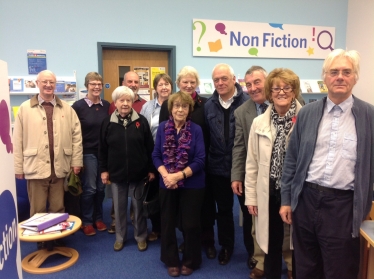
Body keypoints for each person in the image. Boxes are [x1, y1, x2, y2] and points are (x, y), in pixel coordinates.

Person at [280, 49, 374, 278]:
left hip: (343, 205)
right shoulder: (308, 113)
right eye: (334, 72)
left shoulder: (369, 115)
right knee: (306, 265)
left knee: (339, 268)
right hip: (306, 200)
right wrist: (286, 200)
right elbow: (292, 159)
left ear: (355, 77)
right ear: (325, 77)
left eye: (346, 72)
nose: (340, 77)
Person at [232, 66, 302, 279]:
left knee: (297, 241)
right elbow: (251, 163)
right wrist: (251, 196)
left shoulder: (306, 118)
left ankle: (294, 271)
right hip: (269, 191)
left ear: (294, 91)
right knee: (270, 241)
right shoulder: (258, 122)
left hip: (296, 192)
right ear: (270, 93)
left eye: (286, 88)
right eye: (276, 88)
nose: (281, 92)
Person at [159, 66, 215, 259]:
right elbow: (159, 146)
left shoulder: (205, 104)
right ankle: (186, 243)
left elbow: (207, 135)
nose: (189, 85)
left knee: (202, 209)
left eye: (193, 82)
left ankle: (206, 242)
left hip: (198, 165)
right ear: (178, 83)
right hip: (171, 169)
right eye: (185, 82)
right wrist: (168, 174)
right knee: (178, 214)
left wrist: (194, 166)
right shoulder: (170, 105)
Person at [14, 70, 83, 217]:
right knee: (38, 210)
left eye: (51, 82)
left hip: (60, 167)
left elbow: (76, 137)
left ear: (55, 85)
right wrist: (18, 168)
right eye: (44, 82)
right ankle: (42, 240)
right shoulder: (25, 109)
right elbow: (17, 140)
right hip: (36, 167)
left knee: (58, 208)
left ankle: (57, 239)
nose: (48, 85)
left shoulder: (67, 108)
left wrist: (76, 161)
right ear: (37, 84)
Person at [152, 92, 205, 277]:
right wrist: (167, 176)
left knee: (190, 224)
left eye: (184, 106)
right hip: (166, 182)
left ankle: (191, 260)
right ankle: (171, 260)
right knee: (167, 223)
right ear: (171, 109)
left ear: (189, 109)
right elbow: (156, 156)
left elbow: (200, 159)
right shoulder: (162, 127)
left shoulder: (196, 130)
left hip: (193, 183)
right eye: (176, 106)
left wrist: (179, 176)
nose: (180, 110)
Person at [99, 86, 155, 252]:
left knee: (138, 208)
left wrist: (151, 169)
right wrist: (104, 170)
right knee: (119, 207)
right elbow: (102, 149)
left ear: (132, 102)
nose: (125, 103)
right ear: (115, 102)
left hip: (139, 173)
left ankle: (141, 237)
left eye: (128, 100)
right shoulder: (107, 122)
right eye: (121, 100)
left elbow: (149, 147)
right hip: (116, 174)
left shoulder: (141, 121)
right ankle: (120, 237)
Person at [205, 63, 249, 265]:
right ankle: (227, 247)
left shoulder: (247, 103)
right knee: (223, 211)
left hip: (244, 169)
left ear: (234, 79)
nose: (220, 83)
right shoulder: (208, 105)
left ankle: (252, 252)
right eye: (216, 80)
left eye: (224, 78)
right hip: (217, 168)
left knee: (249, 212)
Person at [72, 72, 110, 236]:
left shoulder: (107, 105)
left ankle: (98, 218)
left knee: (101, 189)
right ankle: (86, 221)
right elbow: (73, 132)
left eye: (99, 84)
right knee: (90, 189)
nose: (96, 87)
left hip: (104, 153)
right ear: (87, 85)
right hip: (87, 153)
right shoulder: (78, 106)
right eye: (93, 84)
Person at [107, 71, 146, 234]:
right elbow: (106, 143)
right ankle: (119, 231)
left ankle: (138, 231)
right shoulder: (110, 114)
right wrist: (106, 168)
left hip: (137, 166)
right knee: (118, 201)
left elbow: (146, 142)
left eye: (136, 81)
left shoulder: (143, 110)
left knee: (137, 203)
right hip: (117, 168)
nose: (125, 103)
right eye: (130, 81)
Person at [140, 73, 173, 241]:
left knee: (171, 194)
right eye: (160, 84)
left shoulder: (176, 103)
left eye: (167, 84)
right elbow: (143, 133)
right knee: (154, 194)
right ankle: (157, 228)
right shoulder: (147, 107)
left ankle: (172, 230)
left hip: (174, 156)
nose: (164, 87)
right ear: (155, 88)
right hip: (154, 155)